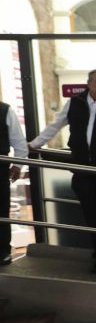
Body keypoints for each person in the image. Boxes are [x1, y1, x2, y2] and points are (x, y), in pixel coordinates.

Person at [29, 69, 96, 274]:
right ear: (89, 83)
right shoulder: (75, 103)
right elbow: (55, 126)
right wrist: (34, 144)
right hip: (82, 169)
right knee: (91, 214)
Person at [0, 103, 28, 265]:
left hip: (1, 168)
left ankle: (3, 251)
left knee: (1, 210)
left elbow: (20, 144)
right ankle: (2, 251)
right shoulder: (4, 110)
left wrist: (17, 165)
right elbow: (20, 144)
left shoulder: (4, 110)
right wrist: (17, 165)